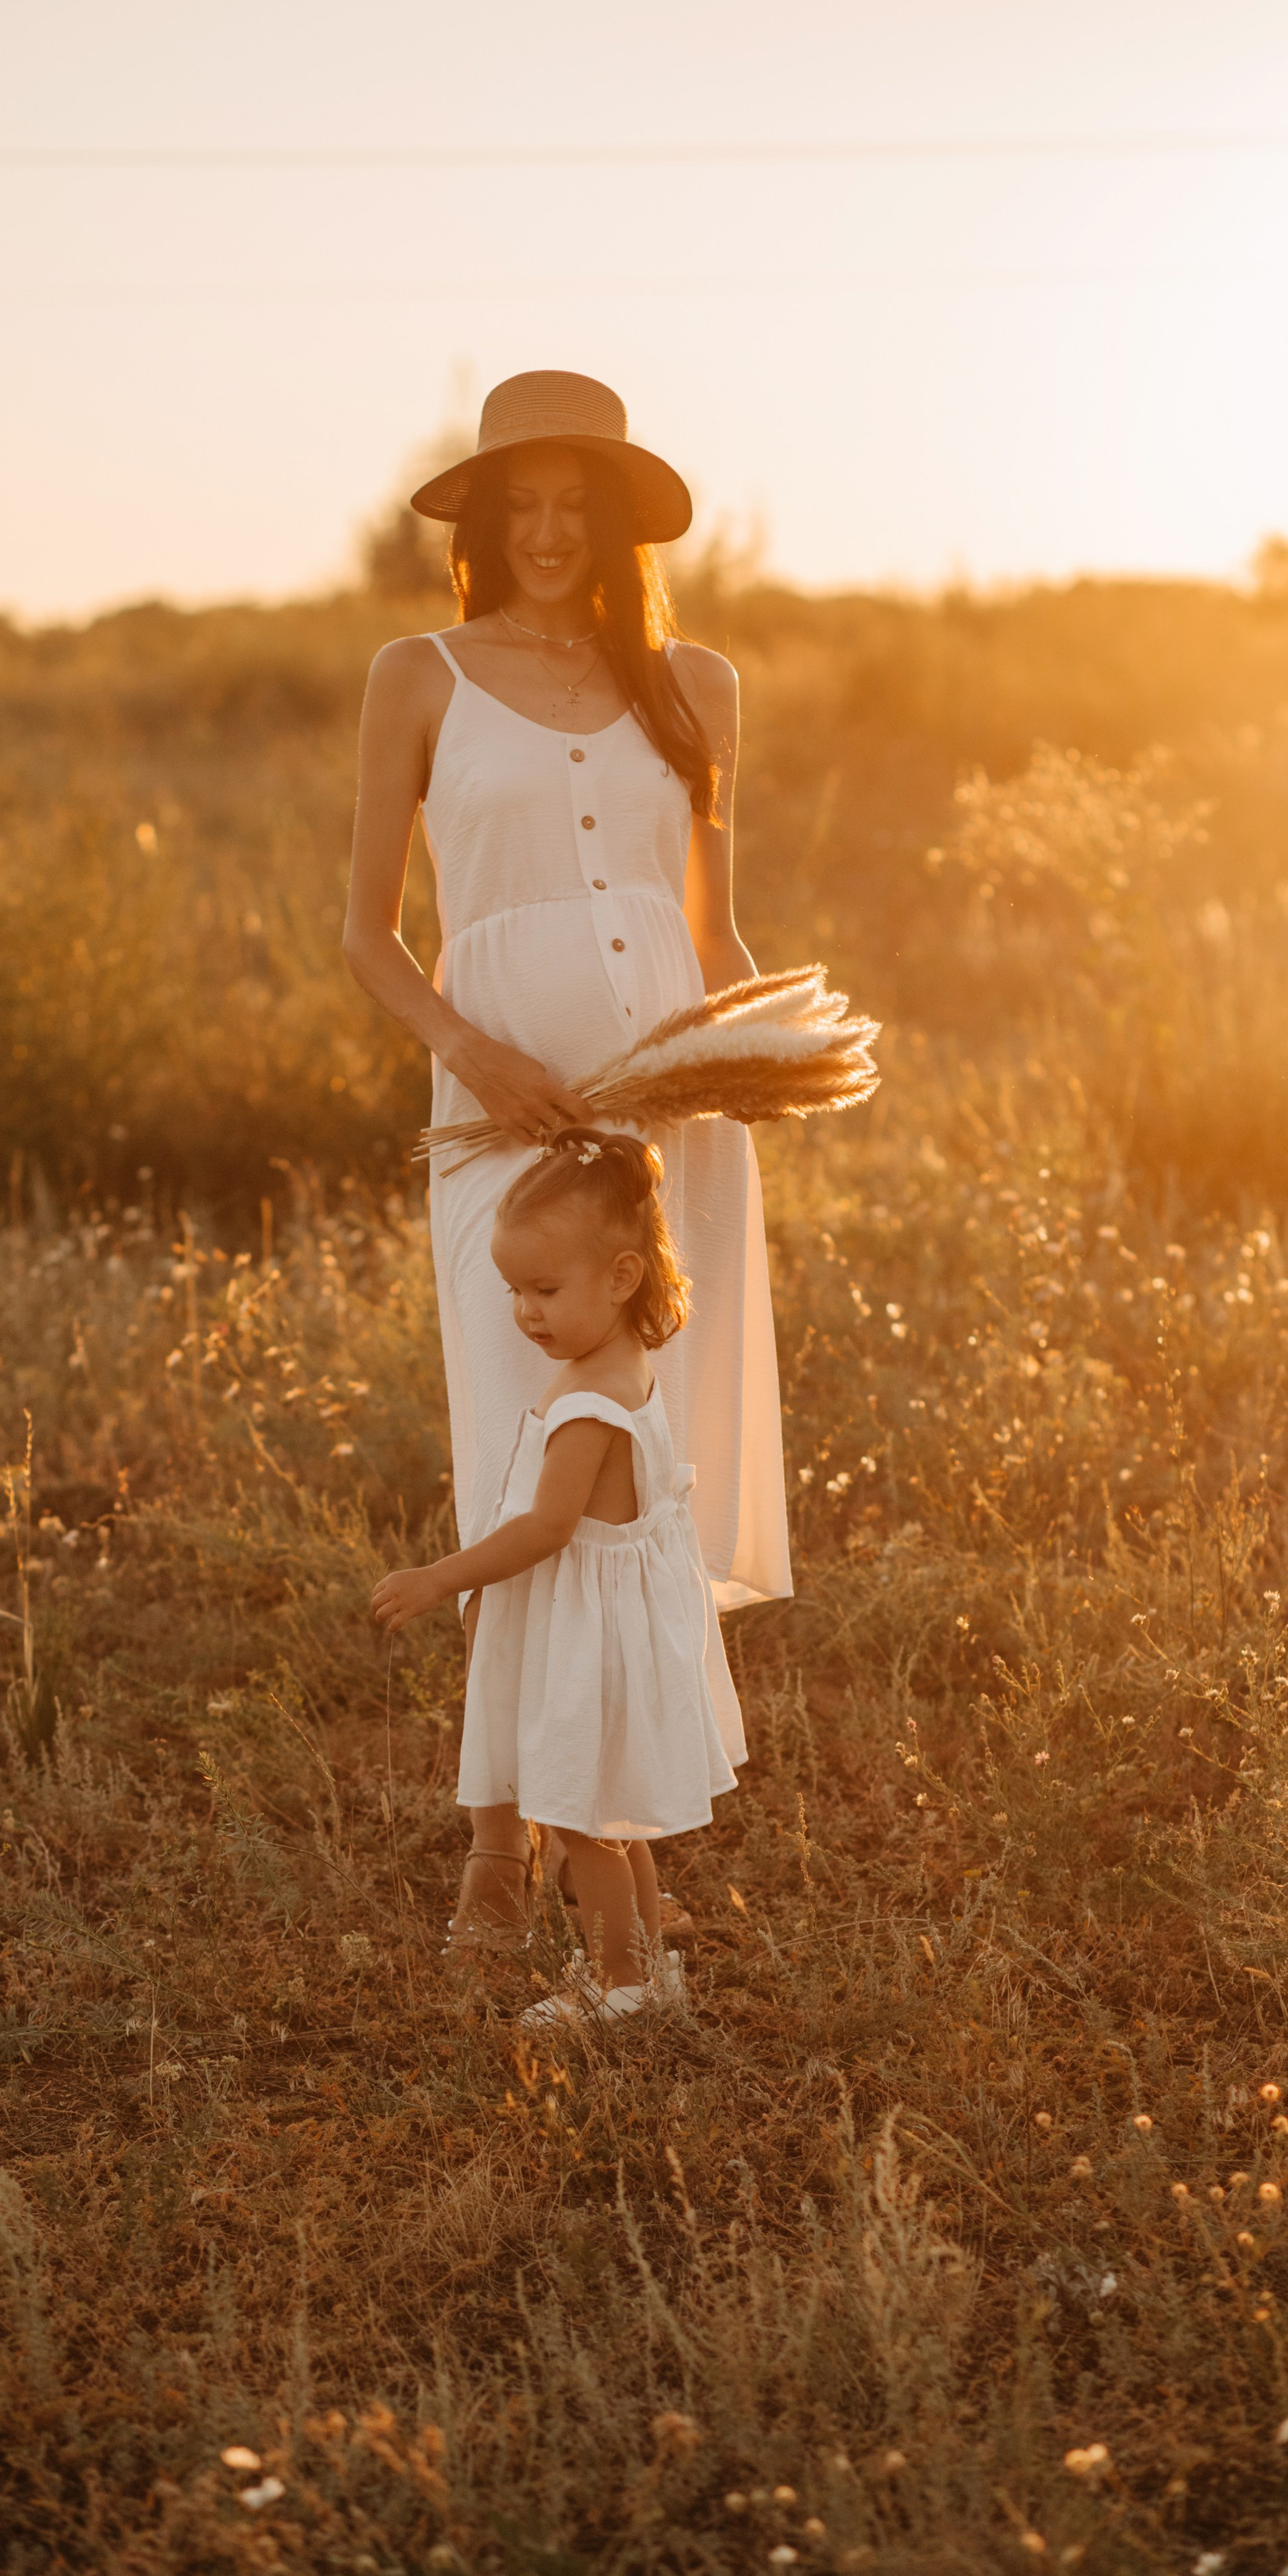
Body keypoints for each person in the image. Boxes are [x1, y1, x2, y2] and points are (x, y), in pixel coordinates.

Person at [344, 368, 791, 1955]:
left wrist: (770, 1057)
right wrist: (477, 1055)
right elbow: (365, 935)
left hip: (669, 1124)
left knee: (624, 1498)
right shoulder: (420, 674)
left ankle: (603, 1822)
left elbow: (711, 929)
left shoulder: (696, 685)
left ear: (611, 528)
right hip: (498, 1128)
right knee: (510, 1472)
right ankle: (490, 1852)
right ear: (479, 526)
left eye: (569, 510)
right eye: (515, 508)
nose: (542, 534)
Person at [372, 1133, 739, 2023]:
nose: (525, 1313)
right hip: (618, 1623)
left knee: (583, 1820)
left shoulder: (586, 1402)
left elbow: (545, 1527)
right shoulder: (620, 1367)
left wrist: (441, 1577)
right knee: (616, 1815)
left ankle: (619, 1984)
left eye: (545, 1290)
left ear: (620, 1277)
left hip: (591, 1635)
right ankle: (645, 1975)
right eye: (513, 1292)